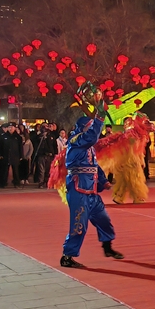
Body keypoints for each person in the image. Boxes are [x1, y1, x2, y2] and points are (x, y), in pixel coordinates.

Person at [60, 86, 123, 268]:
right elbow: (92, 136)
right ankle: (67, 256)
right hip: (79, 189)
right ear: (82, 129)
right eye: (88, 128)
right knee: (79, 224)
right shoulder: (77, 142)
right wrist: (100, 116)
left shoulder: (87, 147)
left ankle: (107, 246)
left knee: (104, 219)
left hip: (91, 190)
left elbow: (95, 166)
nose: (92, 131)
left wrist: (103, 181)